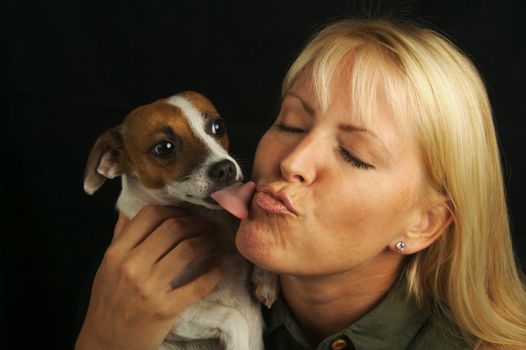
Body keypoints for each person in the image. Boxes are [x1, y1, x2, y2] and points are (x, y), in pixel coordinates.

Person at [75, 18, 526, 350]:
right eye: (290, 125)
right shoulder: (139, 300)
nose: (293, 160)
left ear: (423, 224)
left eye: (354, 154)